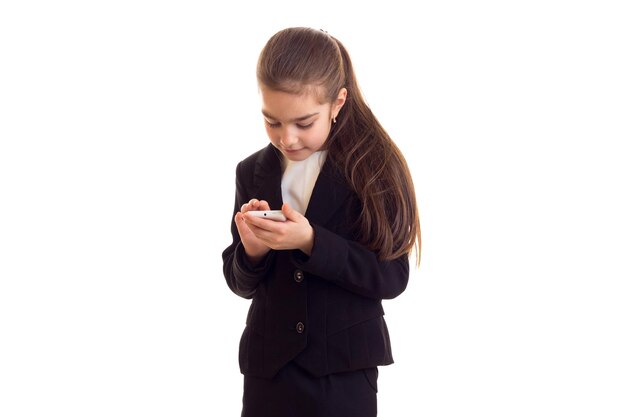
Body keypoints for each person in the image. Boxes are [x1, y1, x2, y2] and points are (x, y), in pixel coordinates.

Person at [222, 26, 421, 417]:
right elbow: (239, 282)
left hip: (343, 374)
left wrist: (311, 240)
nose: (287, 138)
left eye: (303, 122)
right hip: (268, 373)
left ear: (337, 102)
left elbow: (392, 278)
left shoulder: (373, 168)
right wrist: (253, 252)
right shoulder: (251, 171)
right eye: (272, 121)